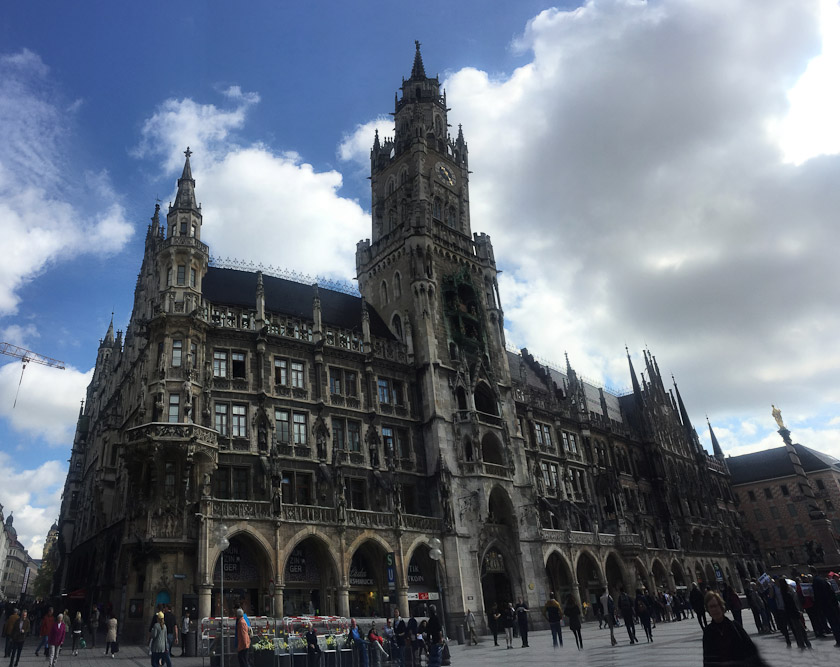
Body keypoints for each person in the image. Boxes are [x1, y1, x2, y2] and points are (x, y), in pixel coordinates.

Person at [703, 590, 768, 667]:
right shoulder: (708, 632)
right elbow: (708, 661)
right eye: (711, 607)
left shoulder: (735, 627)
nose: (714, 609)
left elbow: (751, 651)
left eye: (715, 605)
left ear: (721, 606)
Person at [778, 577, 811, 649]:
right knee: (801, 631)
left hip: (789, 614)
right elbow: (792, 605)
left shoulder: (782, 593)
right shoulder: (788, 594)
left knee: (798, 630)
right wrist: (798, 612)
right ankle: (804, 644)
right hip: (794, 614)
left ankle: (802, 644)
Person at [812, 567, 840, 646]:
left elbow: (818, 596)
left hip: (826, 605)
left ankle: (838, 640)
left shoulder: (816, 581)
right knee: (837, 622)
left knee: (833, 623)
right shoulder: (823, 580)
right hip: (832, 604)